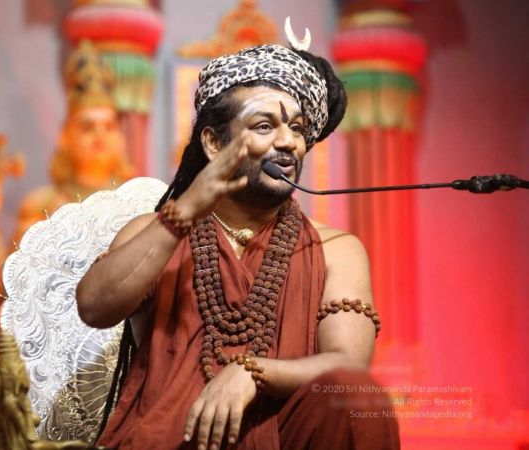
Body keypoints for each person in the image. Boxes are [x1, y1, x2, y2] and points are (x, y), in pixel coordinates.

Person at [76, 20, 399, 450]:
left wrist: (252, 372)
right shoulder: (156, 234)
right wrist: (183, 214)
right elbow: (94, 308)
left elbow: (348, 367)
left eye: (297, 128)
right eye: (264, 126)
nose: (288, 142)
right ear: (213, 143)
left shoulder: (336, 250)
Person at [0, 41, 133, 295]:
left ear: (122, 139)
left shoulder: (137, 205)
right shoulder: (43, 205)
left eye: (109, 126)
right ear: (64, 137)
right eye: (87, 127)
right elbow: (5, 284)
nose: (100, 136)